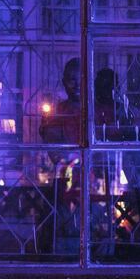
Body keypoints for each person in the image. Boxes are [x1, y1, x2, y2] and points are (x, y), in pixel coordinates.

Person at [38, 58, 82, 255]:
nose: (78, 85)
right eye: (72, 80)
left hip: (95, 181)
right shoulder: (57, 112)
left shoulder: (98, 111)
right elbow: (54, 149)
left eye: (82, 79)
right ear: (64, 82)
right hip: (64, 179)